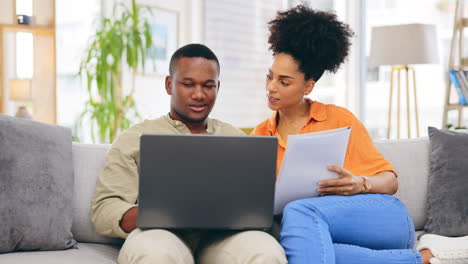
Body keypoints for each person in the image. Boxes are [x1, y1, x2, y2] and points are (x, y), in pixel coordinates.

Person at [252, 5, 467, 264]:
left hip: (382, 218)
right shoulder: (261, 136)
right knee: (308, 246)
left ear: (308, 86)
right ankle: (419, 260)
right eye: (270, 77)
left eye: (284, 82)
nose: (271, 87)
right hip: (315, 228)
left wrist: (360, 183)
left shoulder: (338, 119)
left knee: (298, 211)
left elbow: (390, 182)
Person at [92, 43, 287, 264]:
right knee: (155, 254)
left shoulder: (238, 139)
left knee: (265, 252)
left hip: (223, 239)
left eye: (208, 85)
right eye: (188, 84)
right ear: (169, 85)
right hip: (159, 235)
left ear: (217, 88)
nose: (199, 94)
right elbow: (105, 209)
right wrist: (161, 214)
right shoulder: (135, 138)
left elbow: (261, 203)